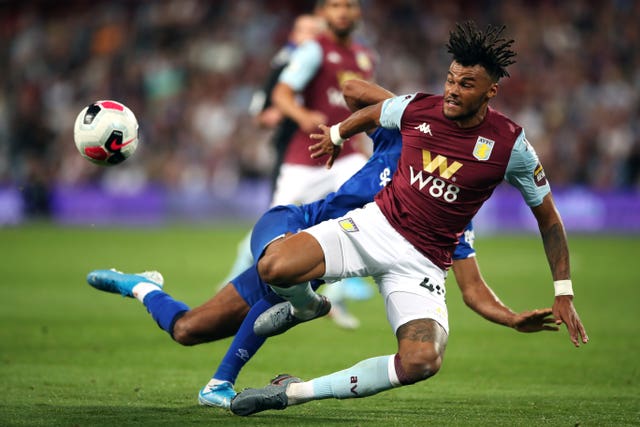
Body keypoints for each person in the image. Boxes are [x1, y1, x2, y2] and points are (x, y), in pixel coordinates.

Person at [228, 21, 589, 416]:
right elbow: (375, 111)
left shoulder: (511, 146)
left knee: (422, 361)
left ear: (491, 91)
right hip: (372, 228)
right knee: (274, 266)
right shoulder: (418, 107)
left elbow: (549, 220)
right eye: (451, 79)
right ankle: (304, 306)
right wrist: (336, 134)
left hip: (423, 264)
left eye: (466, 84)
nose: (452, 89)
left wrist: (560, 292)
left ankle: (292, 392)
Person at [231, 0, 380, 329]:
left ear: (357, 13)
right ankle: (246, 295)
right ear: (325, 13)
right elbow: (283, 93)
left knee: (370, 211)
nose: (342, 12)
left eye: (349, 5)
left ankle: (337, 297)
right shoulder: (313, 50)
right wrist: (303, 117)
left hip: (346, 155)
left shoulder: (365, 57)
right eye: (335, 5)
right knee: (272, 233)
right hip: (304, 159)